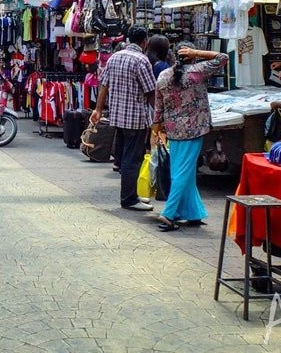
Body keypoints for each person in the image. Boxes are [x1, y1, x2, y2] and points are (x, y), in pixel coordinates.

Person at [152, 43, 228, 231]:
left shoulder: (163, 75)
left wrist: (156, 127)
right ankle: (169, 214)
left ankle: (193, 212)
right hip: (194, 129)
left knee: (181, 171)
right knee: (183, 173)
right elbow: (223, 57)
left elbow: (158, 107)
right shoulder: (197, 71)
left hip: (173, 129)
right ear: (191, 56)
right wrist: (198, 52)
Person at [91, 26, 156, 212]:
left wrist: (97, 109)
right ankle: (128, 199)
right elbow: (150, 92)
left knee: (125, 157)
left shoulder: (115, 57)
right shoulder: (141, 60)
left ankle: (131, 195)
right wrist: (160, 115)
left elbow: (104, 85)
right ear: (144, 42)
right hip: (135, 118)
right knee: (132, 158)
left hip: (118, 116)